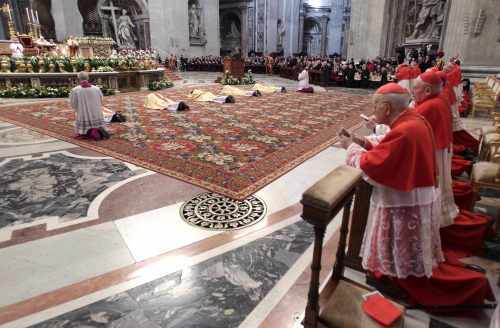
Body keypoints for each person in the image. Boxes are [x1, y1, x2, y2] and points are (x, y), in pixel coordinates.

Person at [340, 83, 444, 278]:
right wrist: (361, 141)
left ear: (387, 108)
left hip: (403, 201)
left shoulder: (406, 129)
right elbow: (388, 143)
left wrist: (349, 147)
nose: (372, 110)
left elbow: (373, 164)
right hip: (415, 193)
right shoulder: (412, 119)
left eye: (375, 106)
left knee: (399, 248)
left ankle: (395, 276)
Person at [412, 70, 458, 227]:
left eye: (415, 87)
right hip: (440, 147)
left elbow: (406, 129)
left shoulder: (429, 106)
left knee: (432, 187)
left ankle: (431, 220)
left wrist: (378, 128)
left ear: (427, 90)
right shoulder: (439, 98)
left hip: (433, 152)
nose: (412, 90)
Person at [70, 72, 107, 139]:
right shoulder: (96, 88)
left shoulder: (75, 90)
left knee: (81, 116)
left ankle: (84, 132)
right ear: (88, 78)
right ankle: (98, 130)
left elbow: (73, 103)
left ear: (78, 79)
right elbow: (101, 99)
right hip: (96, 112)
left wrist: (77, 109)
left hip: (83, 113)